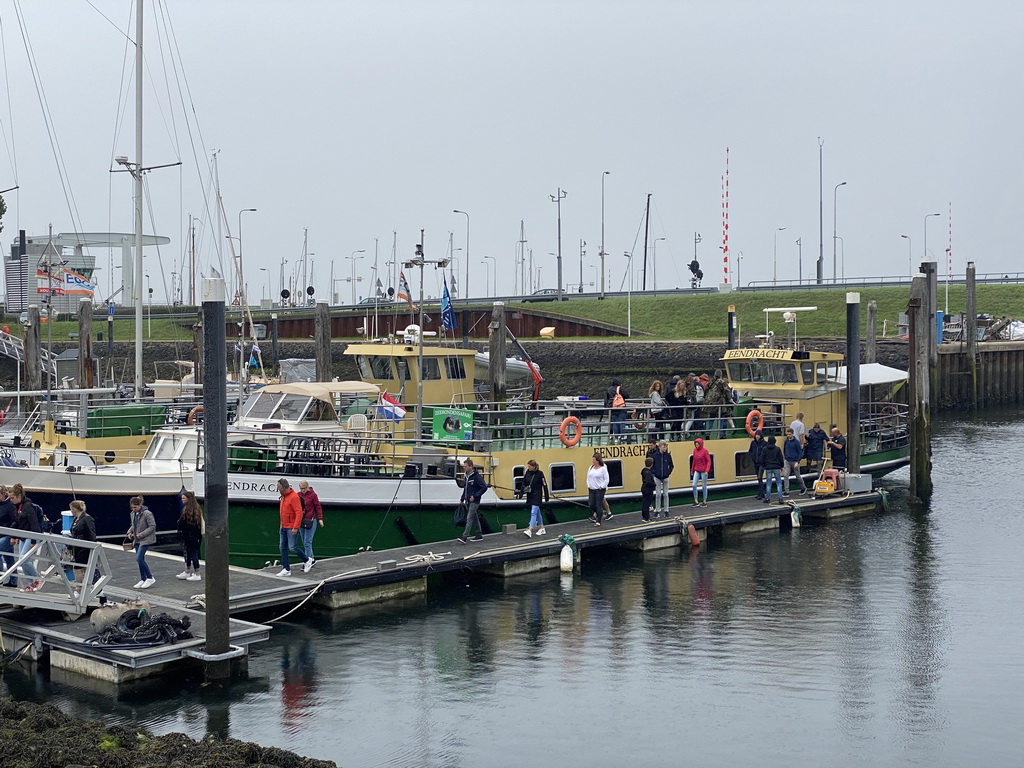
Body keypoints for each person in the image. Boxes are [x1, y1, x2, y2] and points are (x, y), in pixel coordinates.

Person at [8, 484, 43, 592]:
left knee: (23, 560)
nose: (11, 500)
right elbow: (17, 522)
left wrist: (33, 540)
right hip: (23, 537)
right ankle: (30, 583)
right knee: (23, 560)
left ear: (19, 496)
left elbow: (34, 524)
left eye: (12, 497)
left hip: (29, 536)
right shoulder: (19, 507)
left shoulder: (28, 506)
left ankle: (38, 579)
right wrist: (14, 536)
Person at [276, 479, 306, 576]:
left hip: (291, 526)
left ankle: (307, 559)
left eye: (279, 488)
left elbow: (299, 512)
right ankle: (286, 568)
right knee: (282, 547)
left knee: (292, 547)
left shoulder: (293, 497)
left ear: (284, 488)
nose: (278, 489)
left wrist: (295, 527)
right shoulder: (284, 496)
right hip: (283, 525)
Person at [127, 495, 157, 589]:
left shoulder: (147, 513)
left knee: (139, 558)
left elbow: (152, 526)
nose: (133, 509)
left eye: (135, 507)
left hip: (145, 539)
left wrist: (142, 534)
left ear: (140, 505)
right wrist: (129, 532)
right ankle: (143, 578)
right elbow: (133, 525)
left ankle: (150, 577)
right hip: (137, 539)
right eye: (132, 507)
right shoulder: (132, 514)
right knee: (140, 559)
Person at [68, 500, 98, 592]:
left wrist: (92, 546)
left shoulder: (87, 518)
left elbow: (92, 534)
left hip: (84, 548)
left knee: (78, 568)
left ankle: (79, 589)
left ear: (74, 509)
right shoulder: (75, 519)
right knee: (82, 568)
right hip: (76, 547)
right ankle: (86, 588)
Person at [176, 491, 205, 582]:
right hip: (195, 536)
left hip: (190, 535)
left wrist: (179, 526)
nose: (182, 500)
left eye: (183, 498)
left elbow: (182, 522)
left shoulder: (187, 510)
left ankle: (197, 573)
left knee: (192, 554)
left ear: (188, 499)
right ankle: (187, 571)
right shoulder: (196, 509)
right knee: (189, 553)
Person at [457, 459, 487, 543]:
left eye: (466, 466)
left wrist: (475, 496)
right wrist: (462, 498)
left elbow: (484, 487)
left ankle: (465, 536)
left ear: (471, 466)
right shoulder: (467, 476)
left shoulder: (477, 477)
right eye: (464, 466)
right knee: (474, 517)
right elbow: (465, 489)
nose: (464, 468)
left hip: (474, 501)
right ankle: (479, 534)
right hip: (467, 500)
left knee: (469, 517)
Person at [297, 480, 324, 572]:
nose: (302, 490)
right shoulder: (298, 495)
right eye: (301, 489)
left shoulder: (313, 495)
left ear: (307, 487)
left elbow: (318, 507)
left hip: (311, 520)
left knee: (307, 541)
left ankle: (307, 561)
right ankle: (311, 559)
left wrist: (320, 518)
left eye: (304, 488)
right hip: (301, 520)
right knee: (305, 542)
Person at [520, 459, 549, 537]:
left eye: (529, 466)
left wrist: (546, 495)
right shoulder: (527, 473)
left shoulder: (540, 474)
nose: (528, 468)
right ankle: (542, 528)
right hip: (530, 495)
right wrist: (521, 492)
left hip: (537, 495)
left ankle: (530, 529)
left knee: (533, 512)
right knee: (537, 512)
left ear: (534, 466)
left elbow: (544, 485)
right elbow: (524, 482)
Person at [704, 370, 733, 439]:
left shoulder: (710, 382)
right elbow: (727, 391)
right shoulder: (722, 382)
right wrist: (730, 400)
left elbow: (706, 390)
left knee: (711, 418)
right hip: (720, 403)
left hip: (711, 404)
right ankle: (720, 434)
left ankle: (708, 432)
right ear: (721, 375)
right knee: (721, 418)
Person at [649, 440, 674, 519]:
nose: (665, 448)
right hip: (657, 477)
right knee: (658, 494)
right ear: (660, 447)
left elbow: (671, 465)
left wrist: (668, 472)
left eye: (666, 446)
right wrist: (655, 472)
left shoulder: (668, 456)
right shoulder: (655, 456)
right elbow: (652, 467)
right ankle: (657, 511)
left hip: (665, 477)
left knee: (666, 494)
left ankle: (666, 510)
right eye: (664, 446)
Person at [0, 484, 17, 588]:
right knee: (9, 557)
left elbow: (14, 521)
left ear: (3, 494)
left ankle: (0, 578)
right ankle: (14, 581)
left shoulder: (10, 506)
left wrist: (13, 536)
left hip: (7, 535)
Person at [782, 427, 807, 496]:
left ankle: (803, 487)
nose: (788, 436)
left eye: (790, 434)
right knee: (786, 475)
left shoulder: (796, 442)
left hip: (795, 461)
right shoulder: (786, 441)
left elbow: (800, 453)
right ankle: (786, 491)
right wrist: (785, 458)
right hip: (787, 460)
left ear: (793, 434)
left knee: (797, 476)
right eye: (787, 434)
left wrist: (798, 461)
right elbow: (784, 450)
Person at [587, 454, 609, 526]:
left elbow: (606, 479)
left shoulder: (603, 468)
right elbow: (588, 477)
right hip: (591, 489)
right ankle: (600, 513)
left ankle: (598, 521)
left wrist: (602, 486)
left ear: (597, 460)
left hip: (600, 489)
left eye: (593, 459)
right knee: (591, 504)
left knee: (598, 504)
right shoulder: (591, 467)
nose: (592, 461)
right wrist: (588, 484)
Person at [762, 435, 786, 504]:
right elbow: (781, 459)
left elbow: (762, 458)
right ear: (775, 441)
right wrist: (782, 466)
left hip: (768, 467)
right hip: (777, 467)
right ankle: (780, 498)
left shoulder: (765, 449)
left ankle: (768, 498)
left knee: (768, 483)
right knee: (779, 483)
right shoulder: (778, 449)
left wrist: (764, 465)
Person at [604, 378, 629, 442]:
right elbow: (627, 395)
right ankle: (622, 436)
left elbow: (606, 399)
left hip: (613, 408)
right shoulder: (619, 388)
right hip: (621, 408)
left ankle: (616, 437)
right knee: (622, 422)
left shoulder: (609, 389)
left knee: (614, 423)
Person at [691, 438, 711, 507]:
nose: (696, 445)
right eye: (695, 444)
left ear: (700, 444)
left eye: (697, 444)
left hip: (703, 471)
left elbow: (708, 461)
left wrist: (707, 470)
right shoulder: (694, 451)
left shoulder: (705, 451)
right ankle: (696, 501)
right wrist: (692, 469)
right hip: (697, 469)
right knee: (694, 485)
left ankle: (704, 501)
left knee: (704, 486)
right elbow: (694, 461)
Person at [748, 429, 767, 499]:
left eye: (758, 435)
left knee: (759, 478)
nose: (757, 436)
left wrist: (762, 460)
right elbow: (750, 451)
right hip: (755, 462)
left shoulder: (764, 443)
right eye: (756, 435)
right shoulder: (753, 443)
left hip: (761, 464)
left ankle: (760, 493)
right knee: (759, 478)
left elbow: (765, 453)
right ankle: (761, 493)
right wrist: (752, 458)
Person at [665, 375, 683, 440]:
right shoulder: (674, 391)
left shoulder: (683, 392)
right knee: (676, 422)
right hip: (675, 409)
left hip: (680, 409)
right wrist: (672, 402)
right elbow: (667, 396)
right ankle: (673, 435)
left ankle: (677, 435)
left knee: (679, 422)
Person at [640, 457, 656, 522]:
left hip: (644, 488)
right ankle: (646, 518)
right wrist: (654, 485)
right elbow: (648, 482)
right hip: (648, 489)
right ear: (651, 464)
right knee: (647, 503)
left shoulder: (644, 471)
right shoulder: (648, 473)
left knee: (644, 503)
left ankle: (644, 516)